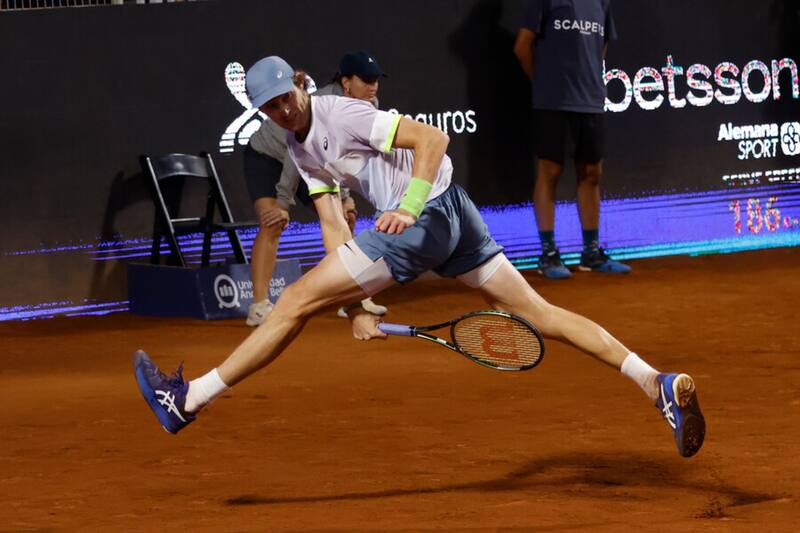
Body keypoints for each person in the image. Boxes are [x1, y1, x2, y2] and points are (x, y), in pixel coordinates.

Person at [134, 56, 705, 458]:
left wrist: (407, 207)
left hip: (425, 216)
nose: (281, 111)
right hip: (456, 217)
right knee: (539, 313)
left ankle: (187, 400)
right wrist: (356, 307)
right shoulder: (297, 146)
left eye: (285, 98)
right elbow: (334, 221)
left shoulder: (339, 113)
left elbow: (432, 140)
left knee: (294, 301)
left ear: (300, 86)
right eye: (269, 108)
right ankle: (654, 381)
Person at [244, 50, 389, 326]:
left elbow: (337, 155)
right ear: (346, 82)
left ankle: (351, 295)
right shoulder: (325, 104)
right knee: (273, 222)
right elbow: (294, 154)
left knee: (344, 218)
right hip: (268, 157)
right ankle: (259, 305)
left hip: (309, 163)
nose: (372, 86)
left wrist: (345, 198)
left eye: (375, 80)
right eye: (366, 80)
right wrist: (282, 204)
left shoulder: (369, 105)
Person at [513, 0, 630, 279]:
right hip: (553, 104)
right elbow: (521, 46)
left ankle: (591, 253)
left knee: (592, 172)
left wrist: (589, 80)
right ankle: (549, 255)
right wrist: (543, 85)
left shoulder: (601, 2)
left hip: (590, 102)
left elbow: (601, 46)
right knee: (550, 172)